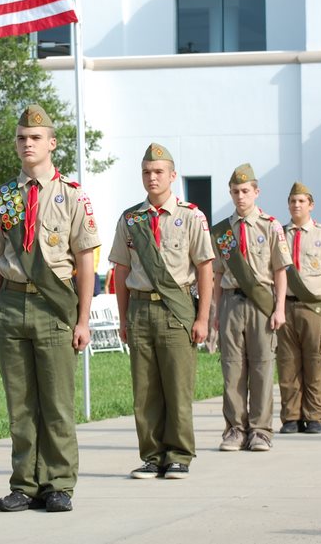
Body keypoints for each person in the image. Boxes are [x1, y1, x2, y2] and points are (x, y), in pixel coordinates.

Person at [0, 104, 99, 513]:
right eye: (21, 138)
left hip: (54, 305)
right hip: (12, 303)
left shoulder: (72, 195)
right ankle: (24, 484)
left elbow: (85, 260)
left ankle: (59, 482)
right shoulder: (4, 198)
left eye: (35, 138)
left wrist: (82, 318)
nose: (27, 144)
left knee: (57, 402)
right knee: (21, 402)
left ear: (51, 143)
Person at [110, 143, 213, 479]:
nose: (152, 178)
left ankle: (179, 454)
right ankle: (152, 455)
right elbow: (121, 271)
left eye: (158, 172)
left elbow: (205, 269)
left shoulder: (191, 216)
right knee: (145, 388)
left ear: (172, 176)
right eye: (146, 172)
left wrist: (202, 318)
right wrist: (124, 317)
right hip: (140, 308)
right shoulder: (131, 219)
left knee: (177, 385)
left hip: (177, 308)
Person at [210, 164, 289, 452]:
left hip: (261, 303)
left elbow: (280, 270)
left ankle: (260, 430)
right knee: (232, 369)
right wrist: (216, 311)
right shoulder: (222, 231)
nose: (240, 196)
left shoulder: (270, 226)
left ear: (256, 191)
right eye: (235, 192)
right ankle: (234, 429)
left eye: (245, 191)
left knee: (262, 368)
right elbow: (217, 273)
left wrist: (279, 308)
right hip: (231, 300)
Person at [277, 182, 321, 432]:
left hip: (315, 306)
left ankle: (314, 415)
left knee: (315, 362)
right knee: (287, 364)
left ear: (310, 205)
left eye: (301, 201)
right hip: (287, 305)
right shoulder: (279, 234)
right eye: (292, 201)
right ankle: (291, 416)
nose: (296, 205)